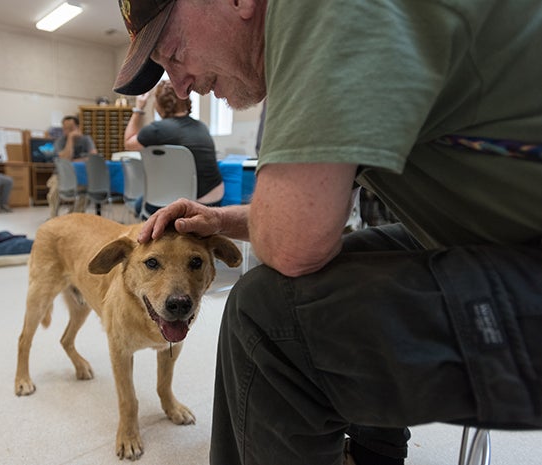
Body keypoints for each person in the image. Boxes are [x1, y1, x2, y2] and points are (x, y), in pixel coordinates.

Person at [112, 1, 542, 465]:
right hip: (495, 236)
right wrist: (219, 221)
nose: (179, 85)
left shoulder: (320, 10)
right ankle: (374, 455)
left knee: (266, 315)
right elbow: (310, 212)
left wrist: (259, 226)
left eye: (174, 54)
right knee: (344, 268)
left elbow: (294, 244)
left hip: (521, 258)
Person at [124, 79, 224, 217]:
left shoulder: (157, 129)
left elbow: (128, 142)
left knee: (139, 203)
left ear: (159, 104)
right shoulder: (202, 127)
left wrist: (139, 108)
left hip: (184, 205)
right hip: (212, 202)